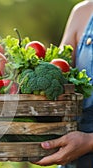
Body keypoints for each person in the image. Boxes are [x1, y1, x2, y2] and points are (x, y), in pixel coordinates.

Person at [35, 0, 93, 167]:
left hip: (80, 147)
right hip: (75, 158)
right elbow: (58, 71)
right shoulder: (82, 13)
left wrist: (89, 142)